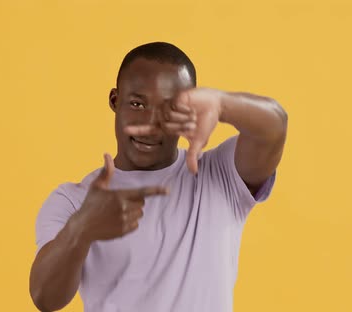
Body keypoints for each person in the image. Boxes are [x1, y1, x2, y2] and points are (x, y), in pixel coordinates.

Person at [29, 42, 287, 312]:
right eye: (137, 104)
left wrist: (222, 104)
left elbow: (275, 127)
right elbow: (45, 299)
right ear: (115, 101)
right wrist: (81, 229)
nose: (151, 127)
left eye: (170, 110)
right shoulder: (73, 200)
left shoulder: (220, 175)